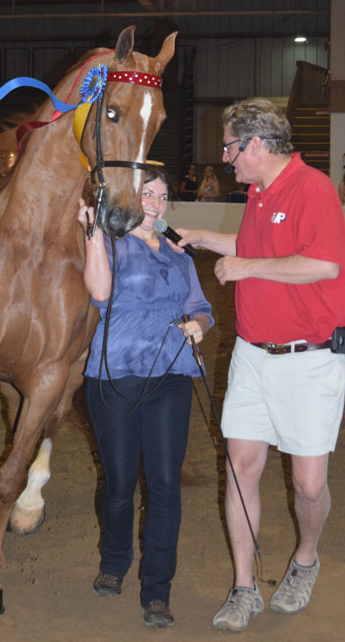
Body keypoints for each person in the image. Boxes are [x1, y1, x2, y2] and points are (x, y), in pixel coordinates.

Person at [172, 98, 345, 632]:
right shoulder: (258, 193)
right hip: (253, 356)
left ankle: (305, 558)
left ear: (255, 145)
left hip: (310, 361)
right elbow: (258, 246)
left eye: (230, 146)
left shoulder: (313, 189)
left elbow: (321, 263)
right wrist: (206, 240)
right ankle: (245, 586)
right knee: (242, 467)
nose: (226, 158)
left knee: (308, 485)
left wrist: (245, 266)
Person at [78, 165, 213, 629]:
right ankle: (114, 561)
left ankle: (157, 588)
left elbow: (201, 307)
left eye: (162, 196)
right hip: (114, 376)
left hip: (171, 376)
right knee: (118, 485)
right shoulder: (113, 244)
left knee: (164, 485)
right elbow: (99, 292)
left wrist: (200, 324)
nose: (155, 204)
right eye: (147, 195)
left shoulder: (180, 256)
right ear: (130, 202)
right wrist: (94, 233)